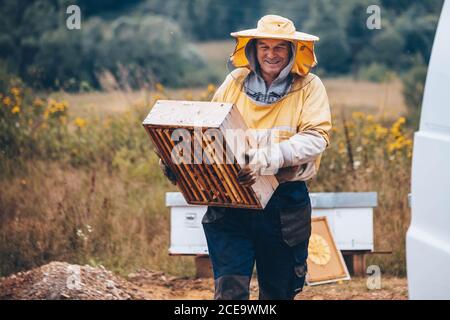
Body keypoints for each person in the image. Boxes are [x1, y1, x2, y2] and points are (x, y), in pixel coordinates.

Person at [159, 15, 332, 300]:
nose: (271, 54)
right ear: (252, 49)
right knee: (230, 293)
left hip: (282, 205)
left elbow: (316, 139)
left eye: (279, 48)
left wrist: (265, 159)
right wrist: (181, 159)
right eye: (264, 46)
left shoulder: (310, 86)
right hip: (231, 201)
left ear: (292, 51)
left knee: (278, 293)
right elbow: (209, 129)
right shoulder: (235, 81)